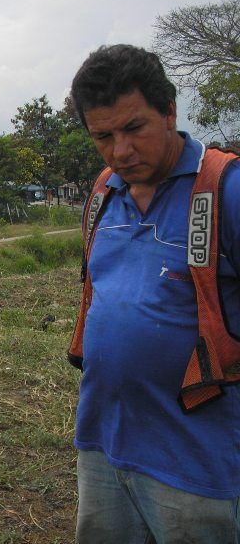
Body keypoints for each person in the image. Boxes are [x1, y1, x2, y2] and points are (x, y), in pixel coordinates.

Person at [67, 44, 240, 543]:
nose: (120, 151)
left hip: (197, 463)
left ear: (169, 111)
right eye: (103, 137)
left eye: (134, 128)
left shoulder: (224, 190)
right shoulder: (105, 193)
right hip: (104, 446)